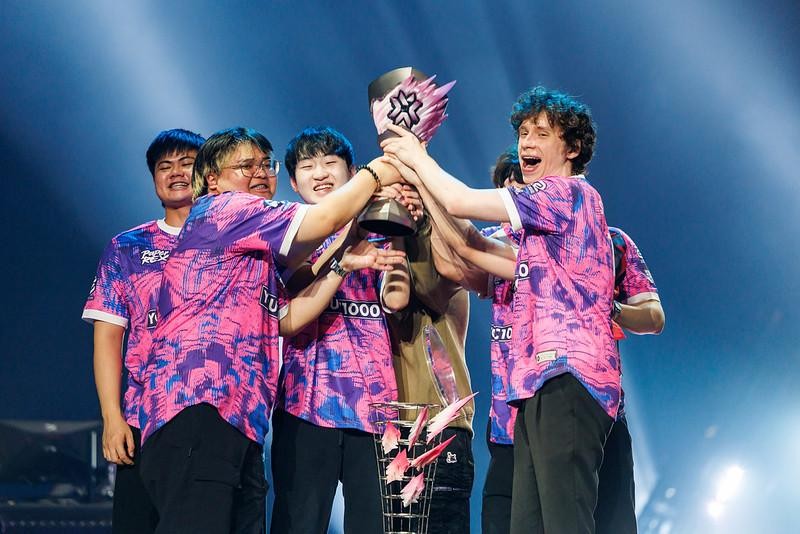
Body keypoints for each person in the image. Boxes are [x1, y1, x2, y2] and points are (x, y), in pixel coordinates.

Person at [136, 127, 403, 534]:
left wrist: (341, 265)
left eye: (266, 164)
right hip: (197, 409)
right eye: (246, 165)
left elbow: (289, 319)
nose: (260, 173)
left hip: (238, 421)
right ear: (213, 179)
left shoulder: (253, 249)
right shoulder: (224, 209)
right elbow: (324, 218)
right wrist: (378, 171)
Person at [382, 86, 616, 534]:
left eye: (541, 134)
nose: (527, 142)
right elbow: (464, 252)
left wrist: (416, 154)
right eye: (523, 132)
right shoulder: (541, 235)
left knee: (565, 524)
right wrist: (420, 196)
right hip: (532, 389)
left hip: (569, 377)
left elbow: (460, 202)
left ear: (573, 148)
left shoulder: (566, 195)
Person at [270, 126, 410, 534]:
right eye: (308, 166)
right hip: (304, 404)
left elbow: (396, 300)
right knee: (299, 522)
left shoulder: (383, 230)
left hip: (375, 407)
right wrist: (351, 234)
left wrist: (396, 226)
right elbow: (294, 284)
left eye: (331, 163)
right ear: (293, 182)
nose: (321, 173)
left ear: (352, 172)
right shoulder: (285, 233)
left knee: (375, 525)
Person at [82, 128, 205, 534]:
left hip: (215, 420)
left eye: (186, 163)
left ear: (206, 172)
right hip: (143, 420)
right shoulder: (127, 247)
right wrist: (112, 418)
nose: (175, 173)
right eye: (164, 166)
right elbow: (107, 339)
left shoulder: (231, 238)